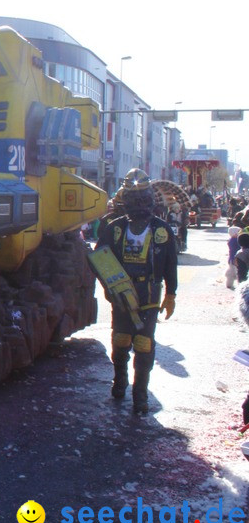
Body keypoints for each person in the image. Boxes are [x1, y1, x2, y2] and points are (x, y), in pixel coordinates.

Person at [96, 169, 178, 416]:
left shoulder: (162, 230)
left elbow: (171, 264)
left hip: (149, 292)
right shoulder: (114, 228)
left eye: (143, 197)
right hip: (121, 291)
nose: (139, 202)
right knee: (120, 339)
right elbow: (99, 258)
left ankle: (140, 394)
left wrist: (171, 293)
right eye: (134, 197)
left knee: (144, 343)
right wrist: (109, 286)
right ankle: (119, 380)